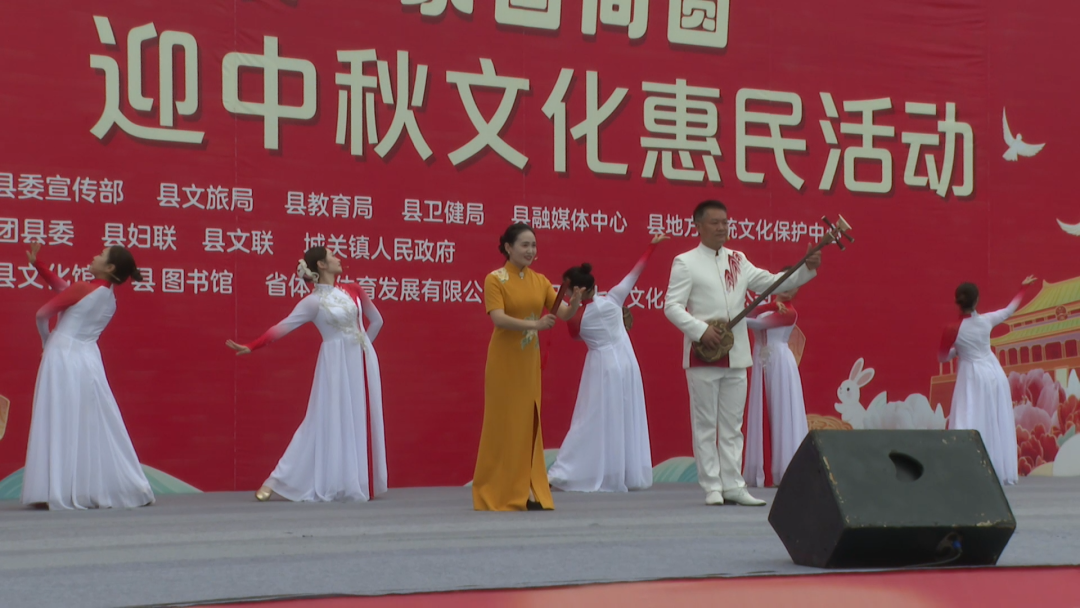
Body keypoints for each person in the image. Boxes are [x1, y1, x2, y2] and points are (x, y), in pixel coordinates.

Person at [663, 200, 821, 506]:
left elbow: (773, 282)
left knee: (732, 424)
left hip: (735, 353)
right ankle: (712, 486)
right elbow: (672, 306)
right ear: (698, 226)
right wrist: (700, 330)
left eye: (725, 222)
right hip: (703, 353)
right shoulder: (685, 262)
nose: (722, 227)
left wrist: (807, 268)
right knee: (706, 424)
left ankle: (734, 484)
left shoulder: (738, 259)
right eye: (715, 223)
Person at [226, 247, 386, 502]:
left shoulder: (354, 289)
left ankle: (356, 481)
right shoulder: (312, 302)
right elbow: (283, 327)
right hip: (334, 364)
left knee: (359, 416)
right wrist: (252, 345)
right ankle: (278, 479)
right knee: (323, 419)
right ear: (321, 265)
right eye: (332, 256)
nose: (338, 259)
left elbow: (377, 321)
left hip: (361, 362)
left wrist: (364, 348)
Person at [22, 243, 155, 510]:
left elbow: (42, 315)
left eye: (101, 255)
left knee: (59, 417)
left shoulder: (84, 288)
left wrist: (47, 341)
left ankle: (56, 488)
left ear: (110, 267)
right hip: (89, 361)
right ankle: (93, 486)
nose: (94, 256)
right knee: (89, 422)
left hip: (62, 356)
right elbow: (63, 288)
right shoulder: (108, 299)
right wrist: (39, 266)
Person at [473, 223, 584, 511]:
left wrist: (575, 303)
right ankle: (498, 490)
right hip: (504, 362)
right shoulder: (495, 279)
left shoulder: (540, 280)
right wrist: (536, 324)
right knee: (504, 424)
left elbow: (562, 313)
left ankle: (527, 490)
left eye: (533, 245)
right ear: (508, 247)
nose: (530, 250)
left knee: (527, 424)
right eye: (524, 245)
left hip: (528, 363)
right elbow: (498, 318)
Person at [547, 234, 669, 493]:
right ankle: (623, 472)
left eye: (566, 290)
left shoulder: (577, 317)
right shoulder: (614, 298)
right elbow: (636, 271)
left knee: (589, 419)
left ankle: (564, 472)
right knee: (623, 417)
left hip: (602, 367)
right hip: (627, 364)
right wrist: (652, 246)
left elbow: (573, 333)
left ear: (577, 291)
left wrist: (574, 305)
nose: (563, 294)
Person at [938, 276, 1037, 485]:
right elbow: (1009, 310)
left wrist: (958, 351)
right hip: (994, 375)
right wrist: (1023, 288)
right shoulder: (986, 320)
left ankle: (967, 470)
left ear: (958, 301)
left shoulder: (952, 329)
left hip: (972, 378)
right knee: (994, 421)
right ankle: (996, 470)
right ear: (977, 300)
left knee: (968, 420)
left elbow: (942, 357)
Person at [743, 284, 809, 488]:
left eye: (792, 286)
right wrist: (770, 305)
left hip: (779, 364)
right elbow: (750, 313)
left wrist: (733, 318)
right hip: (762, 363)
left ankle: (782, 469)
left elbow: (753, 323)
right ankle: (761, 468)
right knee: (762, 410)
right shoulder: (771, 307)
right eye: (783, 284)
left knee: (781, 411)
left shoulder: (789, 313)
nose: (787, 289)